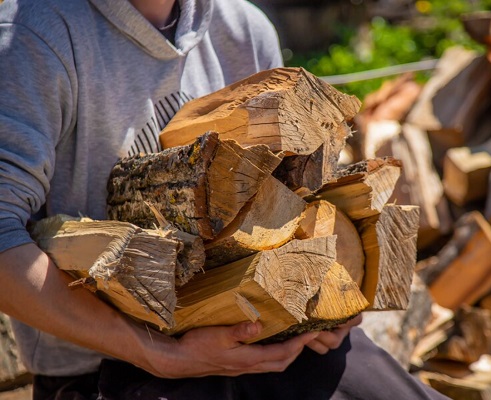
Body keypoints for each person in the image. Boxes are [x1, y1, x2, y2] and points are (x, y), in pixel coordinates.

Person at [0, 0, 450, 398]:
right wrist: (159, 353)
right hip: (115, 369)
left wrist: (323, 308)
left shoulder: (244, 29)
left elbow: (300, 200)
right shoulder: (33, 36)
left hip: (275, 345)